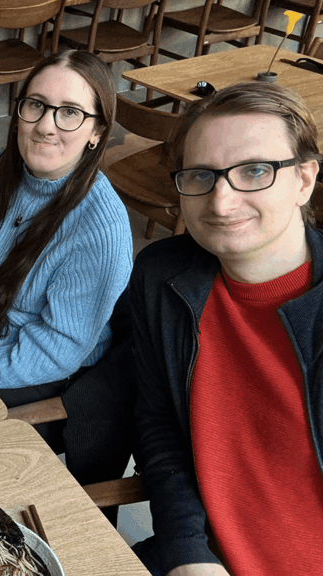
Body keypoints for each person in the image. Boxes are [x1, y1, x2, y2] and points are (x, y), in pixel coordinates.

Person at [131, 82, 323, 576]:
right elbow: (161, 426)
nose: (220, 202)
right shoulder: (161, 278)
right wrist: (187, 552)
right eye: (201, 175)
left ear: (304, 179)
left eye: (254, 171)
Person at [0, 50, 132, 417]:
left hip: (35, 371)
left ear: (97, 132)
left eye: (70, 112)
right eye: (36, 104)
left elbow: (57, 351)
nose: (46, 126)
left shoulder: (100, 225)